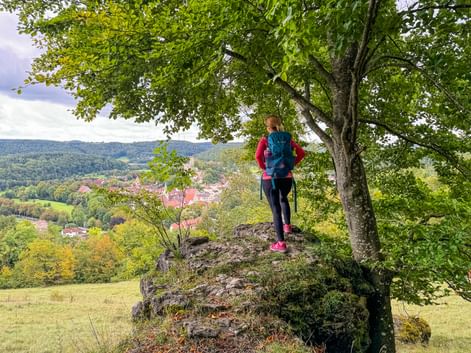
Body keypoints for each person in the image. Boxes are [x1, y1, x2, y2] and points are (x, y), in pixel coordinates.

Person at [255, 115, 305, 253]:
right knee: (284, 199)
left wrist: (265, 168)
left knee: (275, 209)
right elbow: (301, 152)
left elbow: (258, 157)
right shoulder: (288, 139)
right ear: (279, 125)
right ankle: (287, 226)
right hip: (287, 177)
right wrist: (291, 165)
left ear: (268, 127)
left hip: (270, 179)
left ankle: (281, 243)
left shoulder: (265, 140)